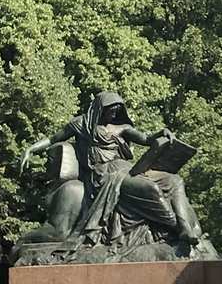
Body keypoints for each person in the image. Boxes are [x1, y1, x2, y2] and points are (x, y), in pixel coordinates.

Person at [20, 92, 202, 248]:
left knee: (174, 180)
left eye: (117, 110)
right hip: (104, 175)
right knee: (150, 188)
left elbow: (146, 139)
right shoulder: (81, 125)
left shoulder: (122, 128)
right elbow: (53, 138)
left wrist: (162, 133)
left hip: (127, 169)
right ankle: (175, 227)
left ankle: (186, 228)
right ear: (100, 108)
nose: (114, 113)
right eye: (111, 109)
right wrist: (30, 149)